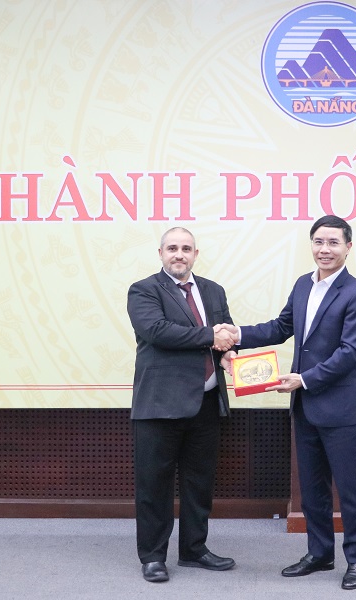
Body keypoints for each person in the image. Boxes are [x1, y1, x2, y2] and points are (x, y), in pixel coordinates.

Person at [222, 214, 356, 590]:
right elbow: (281, 327)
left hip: (338, 406)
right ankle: (320, 553)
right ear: (312, 245)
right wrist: (237, 334)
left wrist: (304, 379)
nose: (325, 249)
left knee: (350, 489)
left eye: (333, 242)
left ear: (348, 247)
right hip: (305, 406)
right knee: (312, 488)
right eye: (319, 242)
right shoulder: (303, 285)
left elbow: (350, 352)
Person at [127, 226, 240, 583]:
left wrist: (228, 352)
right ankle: (152, 556)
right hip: (160, 404)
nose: (179, 254)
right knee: (154, 485)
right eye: (172, 248)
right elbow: (157, 331)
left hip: (205, 402)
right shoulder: (144, 290)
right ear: (161, 253)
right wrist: (211, 336)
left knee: (199, 482)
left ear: (196, 254)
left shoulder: (213, 290)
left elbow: (225, 333)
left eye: (186, 248)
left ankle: (194, 549)